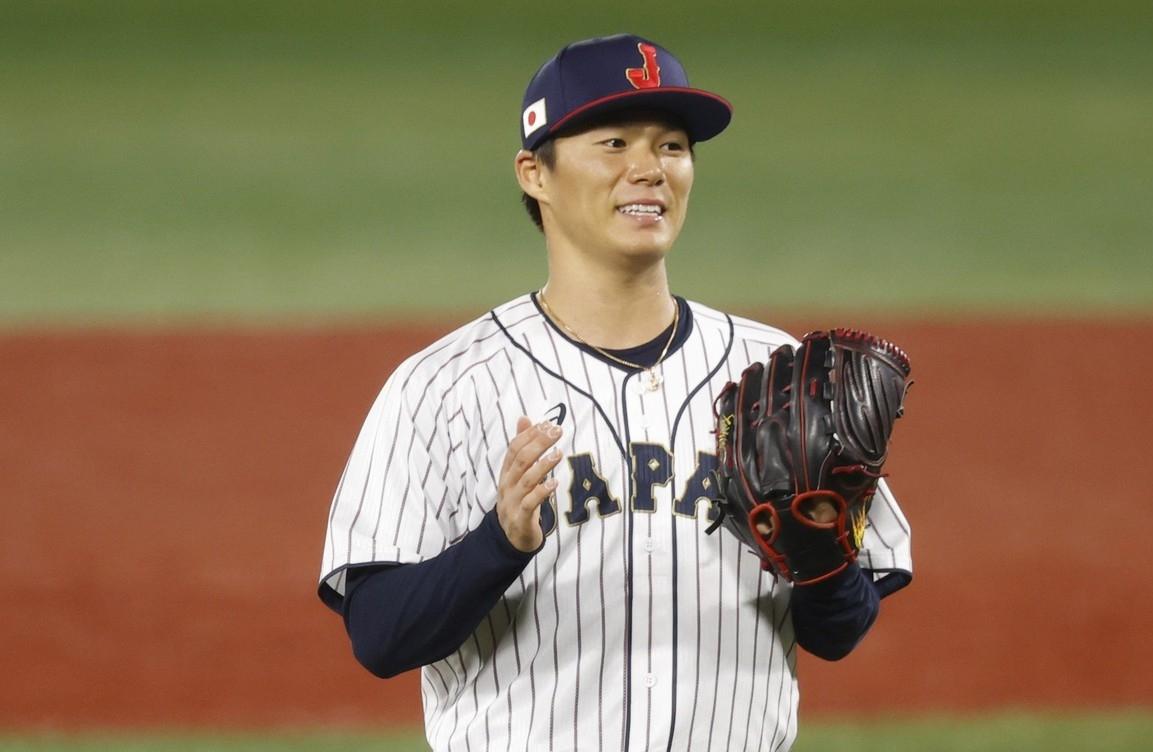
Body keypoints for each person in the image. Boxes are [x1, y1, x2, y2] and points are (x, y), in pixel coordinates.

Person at [317, 33, 913, 752]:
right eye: (613, 143)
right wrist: (497, 543)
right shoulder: (445, 388)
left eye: (670, 147)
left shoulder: (776, 375)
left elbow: (839, 632)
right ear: (534, 174)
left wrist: (816, 551)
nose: (648, 170)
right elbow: (380, 637)